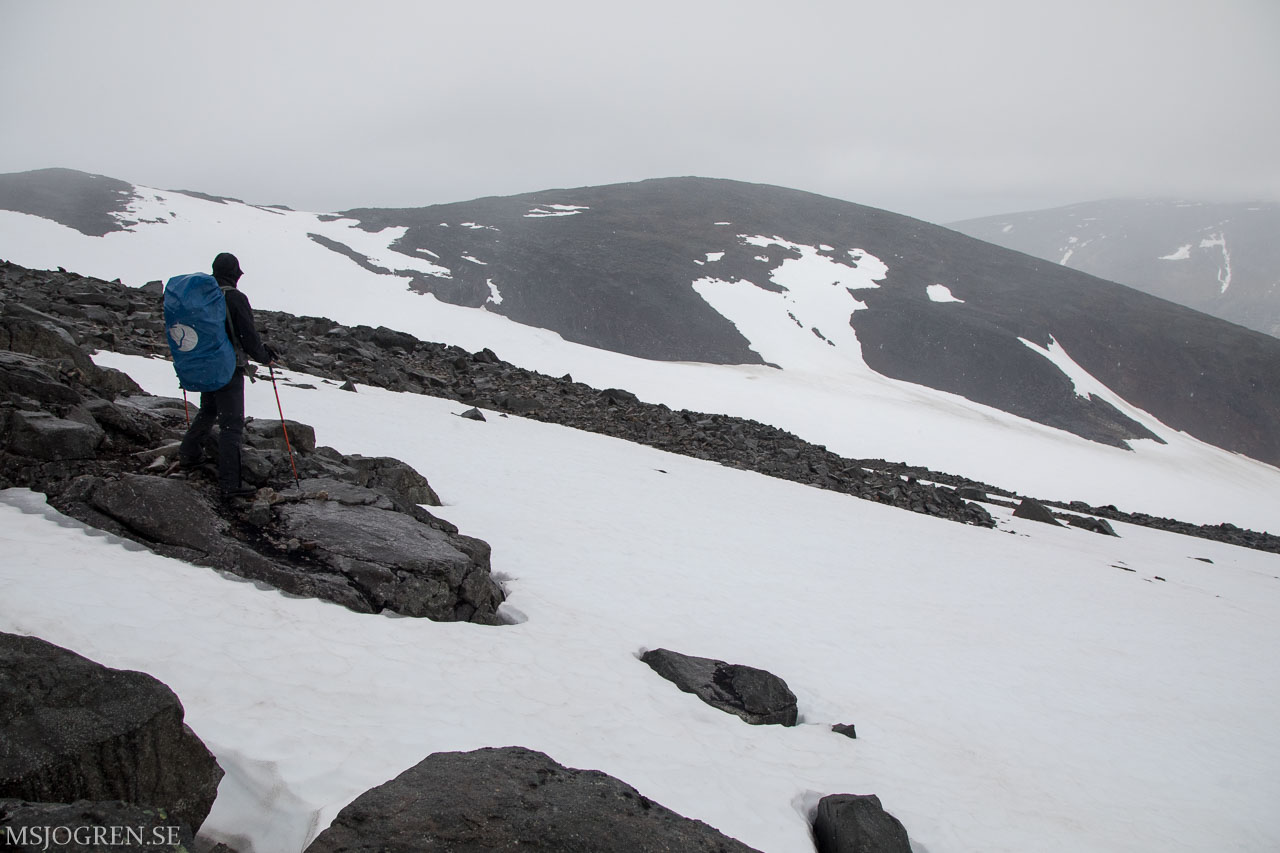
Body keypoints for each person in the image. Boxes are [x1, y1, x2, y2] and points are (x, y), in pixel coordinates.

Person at [178, 252, 277, 498]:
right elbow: (247, 337)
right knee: (231, 425)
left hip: (206, 365)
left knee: (209, 410)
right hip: (228, 368)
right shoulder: (235, 298)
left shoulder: (203, 296)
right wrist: (265, 356)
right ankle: (230, 483)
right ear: (235, 274)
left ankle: (189, 454)